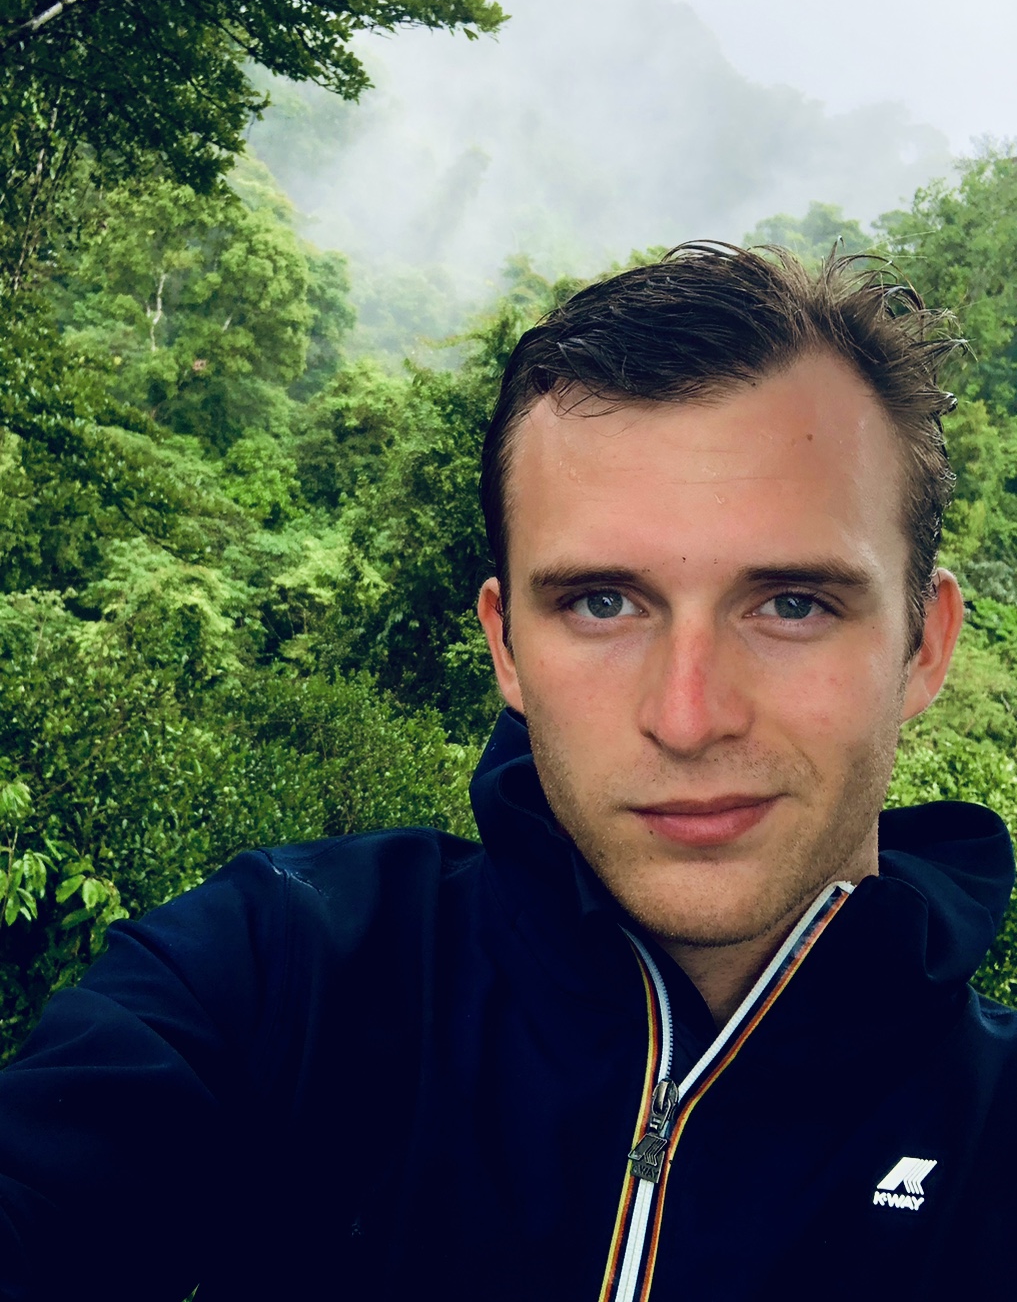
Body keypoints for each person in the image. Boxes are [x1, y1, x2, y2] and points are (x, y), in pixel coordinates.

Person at [0, 243, 1014, 1302]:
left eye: (793, 604)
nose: (687, 717)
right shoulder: (280, 973)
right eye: (602, 604)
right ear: (507, 646)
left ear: (924, 645)